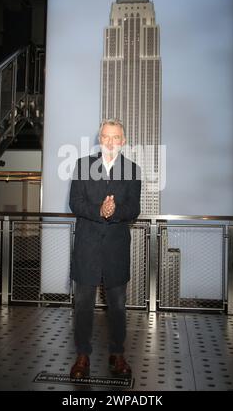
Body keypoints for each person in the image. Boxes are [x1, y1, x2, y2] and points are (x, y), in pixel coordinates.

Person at [69, 118, 141, 379]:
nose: (110, 141)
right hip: (87, 249)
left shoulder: (133, 170)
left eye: (115, 137)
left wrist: (115, 211)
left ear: (123, 141)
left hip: (116, 249)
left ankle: (117, 354)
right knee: (84, 306)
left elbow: (134, 208)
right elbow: (75, 203)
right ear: (100, 139)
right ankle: (82, 355)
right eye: (106, 137)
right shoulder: (82, 165)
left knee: (118, 307)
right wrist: (100, 211)